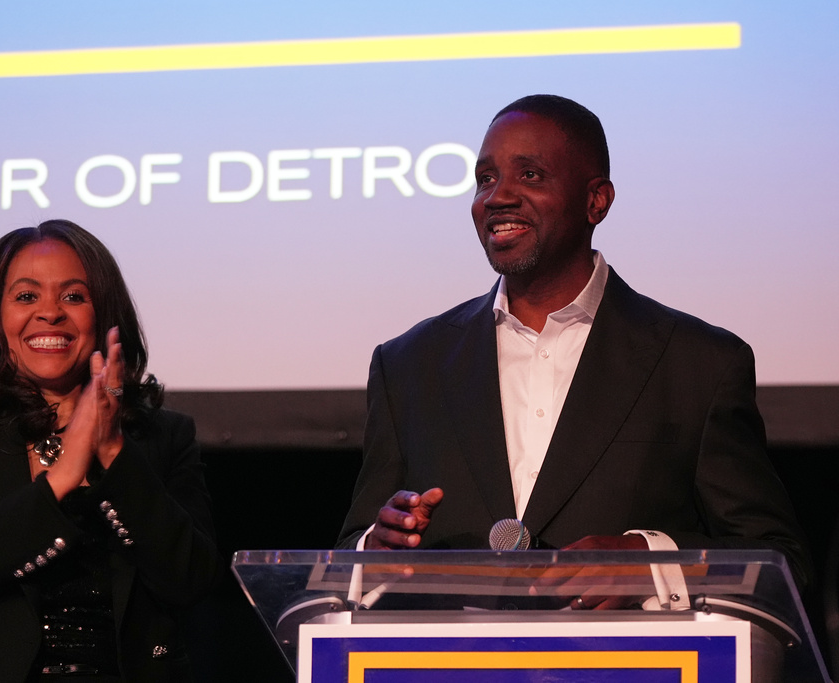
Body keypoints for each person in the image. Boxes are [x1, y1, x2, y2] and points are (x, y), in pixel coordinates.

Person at [338, 94, 812, 592]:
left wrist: (648, 563)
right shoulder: (409, 364)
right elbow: (351, 550)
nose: (497, 196)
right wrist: (375, 549)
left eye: (531, 175)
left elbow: (779, 561)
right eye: (485, 179)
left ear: (596, 201)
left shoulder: (698, 365)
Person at [0, 220, 220, 681]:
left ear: (105, 318)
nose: (50, 313)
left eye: (74, 297)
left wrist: (111, 451)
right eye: (26, 297)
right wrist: (61, 479)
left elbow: (190, 580)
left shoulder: (164, 436)